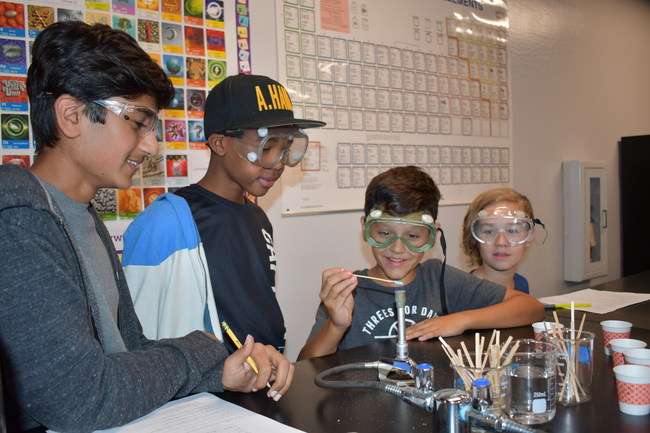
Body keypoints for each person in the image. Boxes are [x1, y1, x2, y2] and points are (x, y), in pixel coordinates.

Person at [0, 21, 292, 433]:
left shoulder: (81, 218)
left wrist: (218, 373)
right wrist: (203, 349)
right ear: (71, 115)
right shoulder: (19, 222)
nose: (152, 144)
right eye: (138, 121)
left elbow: (129, 352)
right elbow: (82, 397)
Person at [121, 73, 325, 354]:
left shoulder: (258, 218)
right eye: (268, 147)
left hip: (264, 380)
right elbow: (134, 337)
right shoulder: (164, 223)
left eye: (286, 149)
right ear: (219, 144)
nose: (278, 164)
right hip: (206, 391)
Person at [298, 166, 545, 360]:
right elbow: (306, 364)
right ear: (365, 228)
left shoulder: (440, 279)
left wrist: (459, 320)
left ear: (433, 235)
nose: (397, 248)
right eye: (384, 234)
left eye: (413, 236)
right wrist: (337, 325)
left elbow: (531, 308)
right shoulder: (349, 291)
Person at [461, 188, 543, 294]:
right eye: (489, 231)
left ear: (529, 235)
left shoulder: (521, 284)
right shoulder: (464, 294)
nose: (501, 242)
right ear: (474, 236)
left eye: (513, 230)